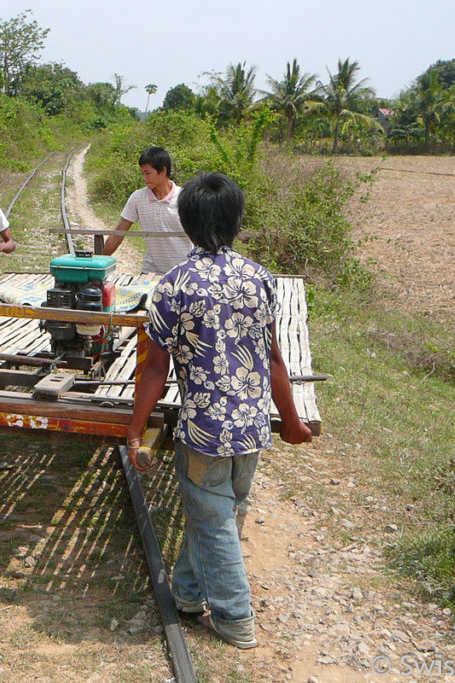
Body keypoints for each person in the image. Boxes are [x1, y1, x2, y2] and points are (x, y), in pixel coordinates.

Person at [125, 172, 313, 648]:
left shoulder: (172, 286)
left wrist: (133, 431)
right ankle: (188, 596)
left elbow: (153, 370)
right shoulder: (259, 279)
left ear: (186, 224)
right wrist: (290, 423)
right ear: (236, 222)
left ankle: (233, 618)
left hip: (205, 432)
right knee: (216, 515)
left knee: (214, 520)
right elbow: (273, 358)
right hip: (251, 430)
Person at [103, 146, 193, 274]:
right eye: (142, 174)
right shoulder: (138, 198)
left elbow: (200, 237)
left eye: (148, 173)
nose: (144, 178)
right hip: (150, 272)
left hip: (183, 272)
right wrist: (97, 262)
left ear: (162, 171)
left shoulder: (185, 198)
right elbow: (118, 233)